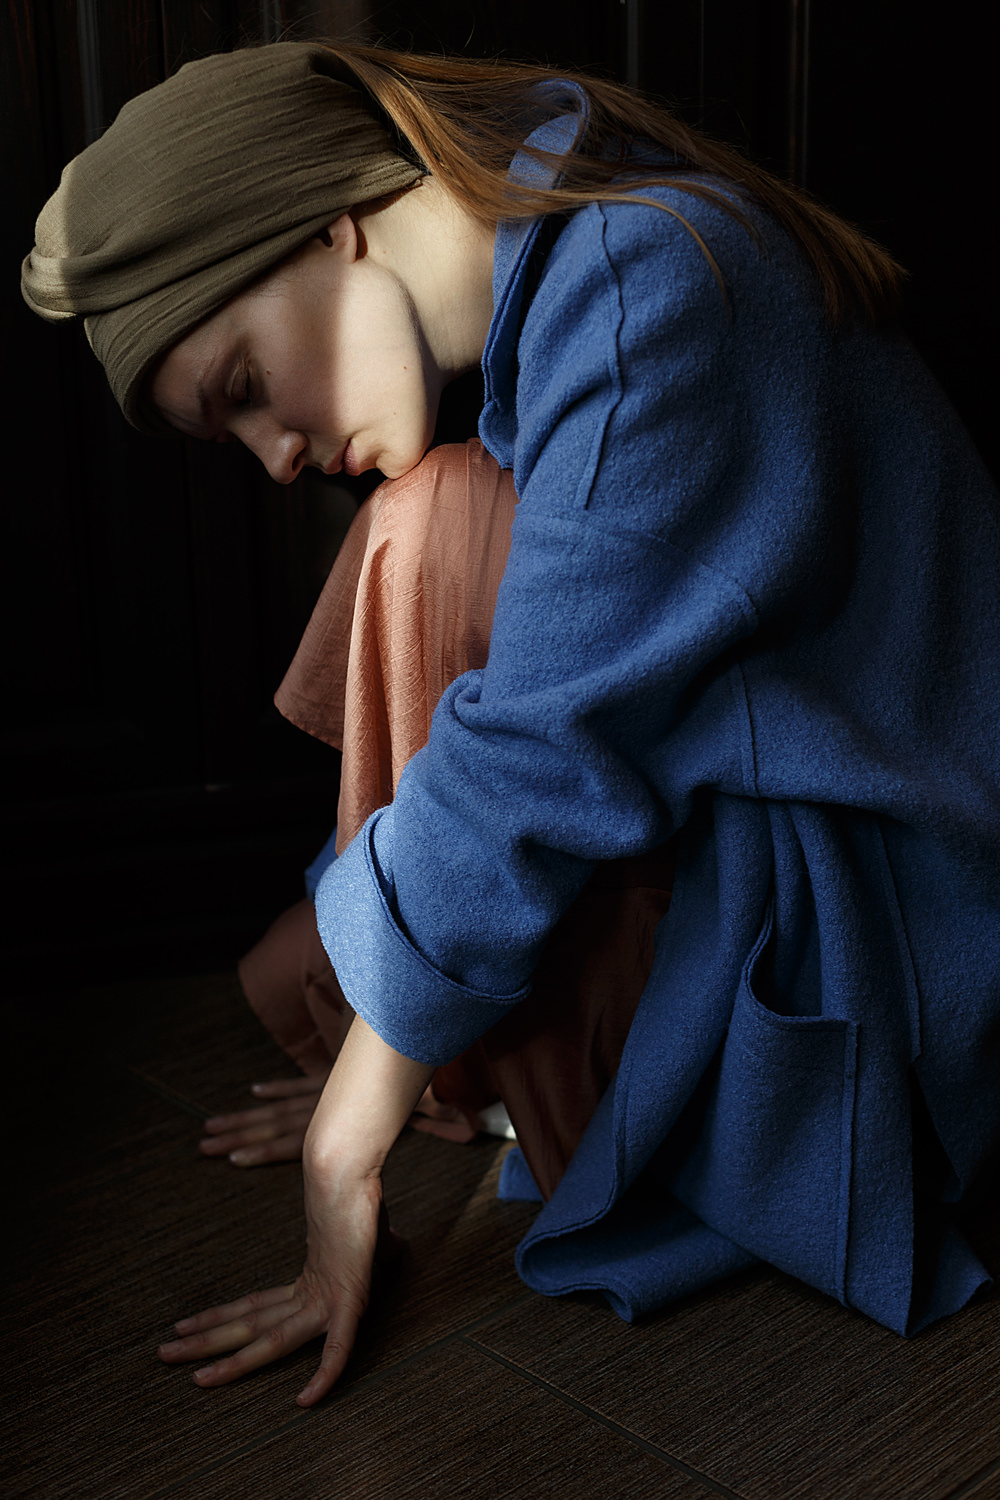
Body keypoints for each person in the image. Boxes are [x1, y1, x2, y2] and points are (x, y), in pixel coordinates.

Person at [22, 40, 1000, 1407]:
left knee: (434, 532)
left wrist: (348, 1141)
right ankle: (457, 1050)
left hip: (897, 951)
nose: (275, 456)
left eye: (243, 388)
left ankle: (475, 1061)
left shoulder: (649, 294)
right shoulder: (579, 252)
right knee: (440, 524)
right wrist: (390, 1032)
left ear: (327, 225)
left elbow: (536, 761)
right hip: (790, 835)